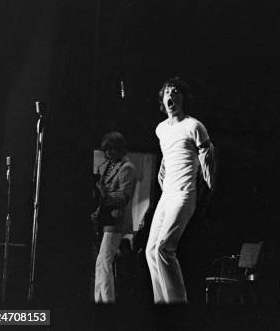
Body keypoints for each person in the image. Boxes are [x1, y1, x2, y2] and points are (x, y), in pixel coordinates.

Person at [145, 76, 215, 304]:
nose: (171, 95)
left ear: (183, 98)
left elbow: (208, 160)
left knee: (164, 248)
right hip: (168, 195)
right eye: (167, 92)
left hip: (185, 194)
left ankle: (177, 304)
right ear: (162, 100)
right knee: (150, 251)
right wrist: (162, 181)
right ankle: (161, 303)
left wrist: (209, 191)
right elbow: (167, 158)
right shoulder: (161, 129)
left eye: (176, 92)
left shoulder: (194, 126)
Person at [92, 131, 137, 304]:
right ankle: (100, 301)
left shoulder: (127, 168)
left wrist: (103, 194)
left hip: (117, 222)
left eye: (110, 151)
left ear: (118, 149)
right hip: (108, 222)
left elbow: (124, 196)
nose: (107, 155)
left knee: (103, 263)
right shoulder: (115, 166)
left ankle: (107, 303)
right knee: (101, 264)